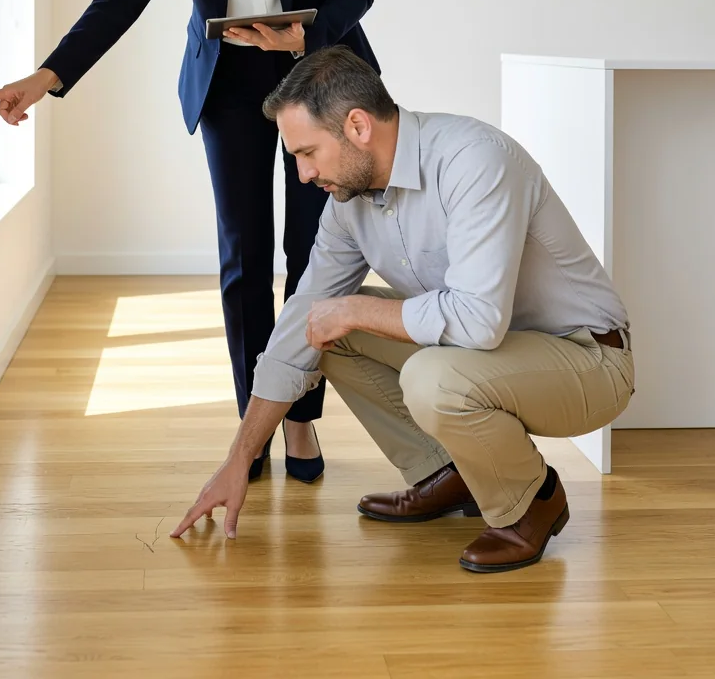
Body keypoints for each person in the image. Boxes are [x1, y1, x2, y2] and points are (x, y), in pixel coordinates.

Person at [0, 0, 379, 483]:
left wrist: (302, 38)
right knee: (244, 258)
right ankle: (252, 427)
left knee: (312, 256)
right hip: (228, 81)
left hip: (318, 73)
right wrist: (49, 74)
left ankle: (302, 422)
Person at [171, 46, 635, 572]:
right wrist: (239, 459)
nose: (302, 175)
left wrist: (352, 312)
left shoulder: (472, 160)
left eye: (307, 153)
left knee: (429, 374)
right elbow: (304, 321)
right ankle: (453, 470)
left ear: (358, 126)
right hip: (496, 353)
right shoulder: (348, 203)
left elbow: (478, 321)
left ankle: (531, 501)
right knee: (322, 327)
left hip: (587, 360)